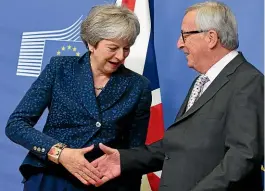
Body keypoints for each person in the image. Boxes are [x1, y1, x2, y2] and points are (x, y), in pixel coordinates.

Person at [91, 1, 264, 191]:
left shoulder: (248, 82)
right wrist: (123, 160)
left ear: (211, 38)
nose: (179, 43)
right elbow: (178, 145)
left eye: (185, 35)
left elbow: (243, 155)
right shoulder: (204, 81)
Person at [5, 4, 152, 191]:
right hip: (51, 176)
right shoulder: (60, 68)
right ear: (91, 43)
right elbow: (16, 125)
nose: (120, 56)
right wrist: (60, 153)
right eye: (113, 48)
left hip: (103, 183)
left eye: (126, 49)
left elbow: (133, 153)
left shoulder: (139, 86)